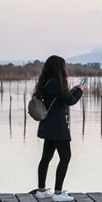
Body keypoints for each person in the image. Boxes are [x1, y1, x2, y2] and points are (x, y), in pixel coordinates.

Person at [32, 55, 84, 192]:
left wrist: (71, 90)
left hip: (48, 125)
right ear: (59, 68)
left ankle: (41, 190)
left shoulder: (47, 82)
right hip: (58, 126)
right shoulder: (56, 82)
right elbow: (70, 100)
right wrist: (79, 91)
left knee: (46, 158)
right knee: (65, 157)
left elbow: (61, 97)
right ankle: (58, 191)